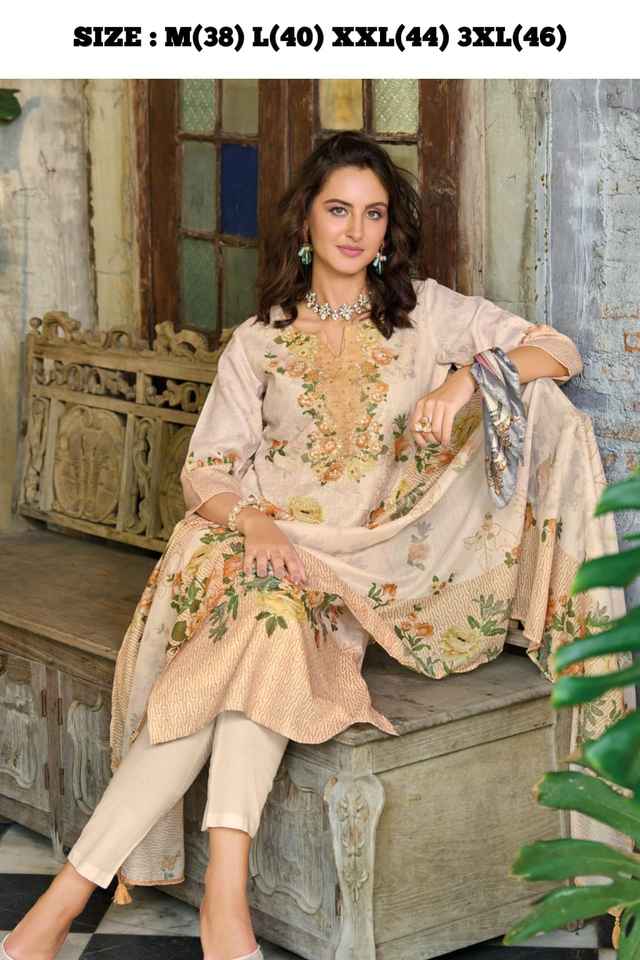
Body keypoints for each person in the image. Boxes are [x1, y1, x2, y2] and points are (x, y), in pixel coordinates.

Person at [3, 131, 633, 960]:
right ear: (306, 220)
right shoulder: (259, 339)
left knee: (261, 638)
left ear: (389, 229)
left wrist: (467, 378)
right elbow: (206, 470)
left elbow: (558, 350)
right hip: (246, 546)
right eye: (339, 210)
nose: (355, 230)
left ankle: (60, 908)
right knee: (265, 619)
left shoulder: (425, 316)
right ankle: (219, 908)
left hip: (349, 574)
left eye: (373, 214)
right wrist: (257, 524)